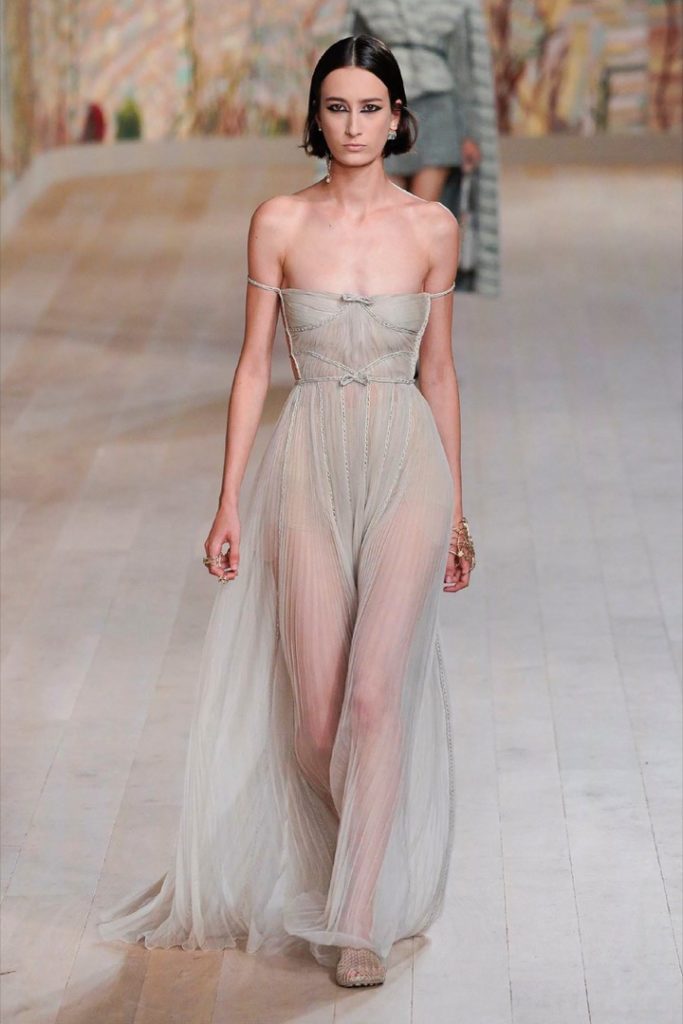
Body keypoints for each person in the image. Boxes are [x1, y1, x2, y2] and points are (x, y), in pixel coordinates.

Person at [97, 33, 476, 990]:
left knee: (374, 695)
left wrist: (458, 510)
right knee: (314, 722)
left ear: (397, 118)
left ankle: (359, 916)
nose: (353, 126)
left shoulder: (432, 228)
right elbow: (252, 368)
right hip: (306, 459)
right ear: (316, 117)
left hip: (407, 462)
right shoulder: (277, 221)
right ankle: (357, 855)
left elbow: (438, 372)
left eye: (370, 108)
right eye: (336, 107)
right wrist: (227, 500)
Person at [341, 0, 501, 296]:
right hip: (386, 105)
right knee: (384, 212)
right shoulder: (369, 6)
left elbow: (463, 69)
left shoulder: (453, 5)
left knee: (422, 214)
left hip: (438, 108)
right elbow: (353, 59)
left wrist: (469, 133)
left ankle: (415, 297)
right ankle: (386, 292)